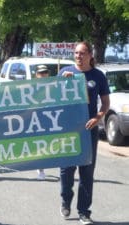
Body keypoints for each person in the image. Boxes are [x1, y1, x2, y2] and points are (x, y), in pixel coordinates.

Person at [58, 41, 110, 225]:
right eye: (76, 53)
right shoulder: (64, 72)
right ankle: (65, 199)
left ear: (90, 55)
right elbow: (53, 98)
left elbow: (105, 103)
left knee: (87, 172)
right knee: (66, 170)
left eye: (82, 53)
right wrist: (64, 82)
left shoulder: (98, 76)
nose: (78, 56)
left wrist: (98, 117)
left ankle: (84, 211)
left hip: (89, 130)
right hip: (68, 130)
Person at [35, 64, 49, 180]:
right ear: (36, 75)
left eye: (45, 72)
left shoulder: (54, 85)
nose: (43, 75)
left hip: (52, 118)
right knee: (40, 143)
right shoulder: (30, 87)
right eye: (40, 73)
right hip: (36, 119)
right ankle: (41, 169)